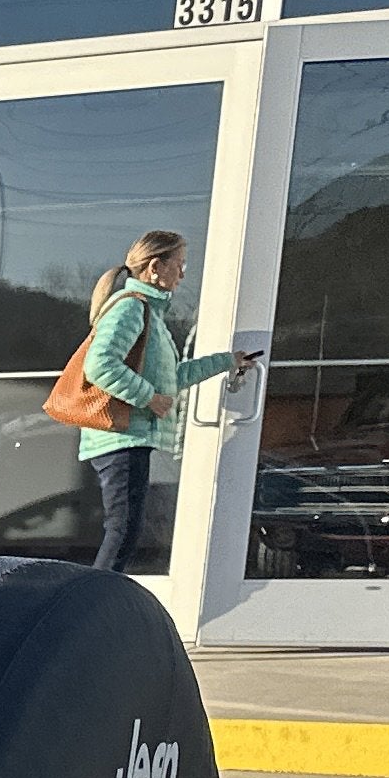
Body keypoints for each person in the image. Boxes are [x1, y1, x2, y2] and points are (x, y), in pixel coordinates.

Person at [74, 231, 257, 572]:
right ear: (156, 267)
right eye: (180, 264)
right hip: (120, 438)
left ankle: (98, 603)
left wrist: (228, 361)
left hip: (127, 439)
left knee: (123, 531)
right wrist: (150, 398)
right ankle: (92, 608)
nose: (183, 274)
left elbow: (173, 377)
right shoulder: (130, 308)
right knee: (121, 532)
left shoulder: (150, 315)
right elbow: (100, 364)